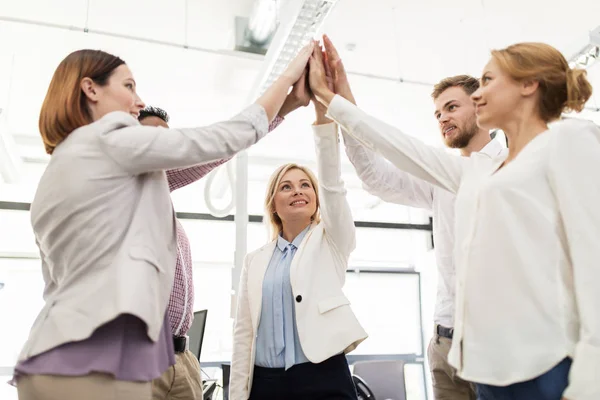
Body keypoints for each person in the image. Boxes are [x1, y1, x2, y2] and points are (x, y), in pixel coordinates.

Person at [14, 42, 314, 400]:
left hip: (61, 353)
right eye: (128, 86)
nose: (138, 101)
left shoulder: (68, 167)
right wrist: (286, 82)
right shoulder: (106, 142)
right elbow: (217, 140)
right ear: (90, 89)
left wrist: (286, 106)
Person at [310, 38, 599, 400]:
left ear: (529, 85)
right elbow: (397, 146)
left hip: (543, 358)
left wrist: (589, 381)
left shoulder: (571, 141)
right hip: (484, 358)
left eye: (490, 81)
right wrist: (338, 98)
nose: (481, 94)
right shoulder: (473, 172)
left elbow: (593, 266)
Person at [319, 36, 502, 400]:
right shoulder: (443, 176)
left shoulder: (508, 167)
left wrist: (340, 102)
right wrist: (345, 104)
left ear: (480, 105)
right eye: (437, 114)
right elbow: (377, 176)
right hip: (444, 342)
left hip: (496, 343)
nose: (443, 118)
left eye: (452, 107)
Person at [139, 78, 311, 400]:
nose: (163, 146)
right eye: (152, 137)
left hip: (181, 357)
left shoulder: (161, 201)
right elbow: (220, 147)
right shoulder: (127, 187)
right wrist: (284, 105)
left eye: (167, 137)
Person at [229, 68, 367, 400]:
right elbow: (243, 334)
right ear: (273, 204)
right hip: (266, 383)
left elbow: (333, 185)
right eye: (286, 187)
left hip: (322, 377)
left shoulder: (331, 240)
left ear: (316, 198)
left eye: (305, 185)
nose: (297, 191)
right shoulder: (256, 260)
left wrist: (323, 114)